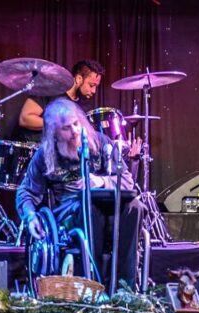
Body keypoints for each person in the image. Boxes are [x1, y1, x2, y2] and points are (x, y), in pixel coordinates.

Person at [16, 98, 145, 288]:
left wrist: (100, 181)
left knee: (135, 206)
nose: (75, 131)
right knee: (90, 208)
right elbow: (26, 191)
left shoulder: (101, 143)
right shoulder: (45, 155)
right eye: (66, 128)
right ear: (54, 133)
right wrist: (29, 216)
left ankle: (125, 287)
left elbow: (127, 181)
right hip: (69, 211)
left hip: (108, 203)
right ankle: (94, 285)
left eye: (76, 124)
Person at [15, 59, 104, 143]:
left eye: (96, 86)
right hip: (37, 151)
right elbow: (25, 118)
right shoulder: (51, 91)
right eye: (91, 85)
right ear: (78, 79)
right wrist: (59, 125)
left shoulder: (84, 107)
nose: (94, 91)